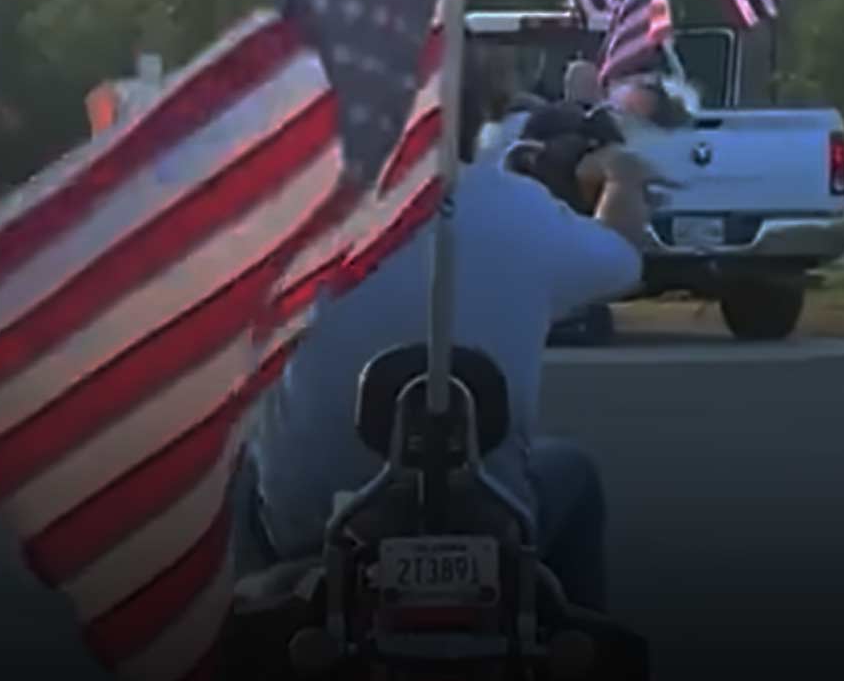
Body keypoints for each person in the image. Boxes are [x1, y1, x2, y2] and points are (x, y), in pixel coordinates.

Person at [235, 49, 660, 613]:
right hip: (492, 517)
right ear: (472, 111)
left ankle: (241, 640)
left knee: (236, 476)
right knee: (572, 474)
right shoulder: (522, 208)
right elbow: (623, 260)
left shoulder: (281, 226)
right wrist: (622, 178)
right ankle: (569, 642)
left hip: (313, 529)